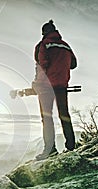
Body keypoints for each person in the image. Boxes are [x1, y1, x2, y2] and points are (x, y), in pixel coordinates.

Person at [32, 19, 77, 160]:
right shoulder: (66, 46)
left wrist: (36, 83)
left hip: (46, 87)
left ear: (44, 32)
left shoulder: (43, 45)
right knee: (64, 115)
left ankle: (50, 150)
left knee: (47, 117)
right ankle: (71, 147)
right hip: (62, 85)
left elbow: (42, 65)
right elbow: (74, 64)